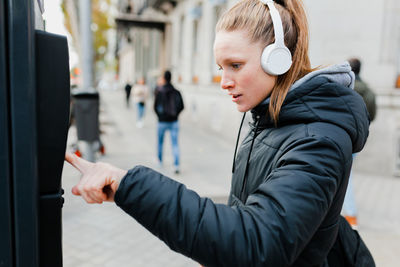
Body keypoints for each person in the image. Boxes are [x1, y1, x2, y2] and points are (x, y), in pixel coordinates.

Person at [65, 0, 374, 266]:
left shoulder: (317, 140)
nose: (224, 81)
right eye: (220, 66)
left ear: (277, 60)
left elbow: (258, 244)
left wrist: (127, 184)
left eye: (235, 65)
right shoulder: (266, 118)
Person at [342, 58, 377, 229]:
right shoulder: (368, 91)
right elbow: (373, 115)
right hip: (357, 137)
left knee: (344, 176)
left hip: (342, 135)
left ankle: (351, 215)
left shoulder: (345, 87)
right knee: (345, 174)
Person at [153, 70, 184, 173]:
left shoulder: (159, 91)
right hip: (174, 121)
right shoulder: (176, 91)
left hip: (162, 121)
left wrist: (160, 116)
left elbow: (155, 106)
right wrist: (176, 115)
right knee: (175, 143)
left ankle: (159, 161)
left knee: (160, 142)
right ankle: (176, 165)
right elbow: (182, 106)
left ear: (164, 78)